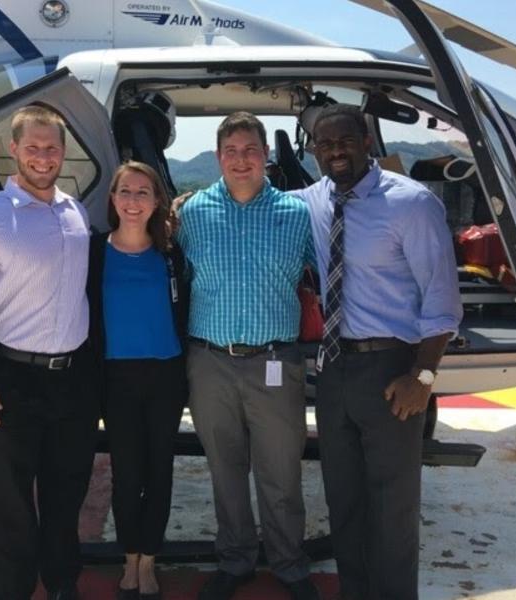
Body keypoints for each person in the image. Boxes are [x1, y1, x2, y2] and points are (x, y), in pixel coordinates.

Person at [292, 104, 462, 600]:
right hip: (334, 368)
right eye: (325, 144)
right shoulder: (312, 200)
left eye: (345, 140)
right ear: (315, 151)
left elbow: (442, 301)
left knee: (393, 505)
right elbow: (261, 203)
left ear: (368, 142)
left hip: (393, 368)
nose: (336, 151)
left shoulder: (412, 204)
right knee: (343, 500)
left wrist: (423, 378)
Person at [0, 105, 98, 600]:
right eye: (33, 147)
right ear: (14, 150)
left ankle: (62, 584)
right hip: (12, 377)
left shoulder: (76, 212)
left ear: (63, 151)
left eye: (52, 147)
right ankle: (12, 591)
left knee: (66, 492)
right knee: (9, 502)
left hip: (72, 378)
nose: (44, 157)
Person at [176, 112, 320, 600]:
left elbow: (325, 279)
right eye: (231, 151)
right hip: (209, 361)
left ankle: (289, 564)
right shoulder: (191, 214)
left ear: (265, 155)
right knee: (226, 469)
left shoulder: (295, 215)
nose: (242, 160)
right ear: (219, 157)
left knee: (281, 472)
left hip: (275, 361)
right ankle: (235, 559)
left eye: (251, 149)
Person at [86, 161, 189, 600]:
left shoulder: (170, 255)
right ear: (112, 199)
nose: (133, 201)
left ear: (156, 201)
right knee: (127, 473)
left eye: (143, 192)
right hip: (116, 377)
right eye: (125, 191)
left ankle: (150, 558)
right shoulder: (93, 253)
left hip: (165, 374)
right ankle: (130, 559)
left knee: (159, 470)